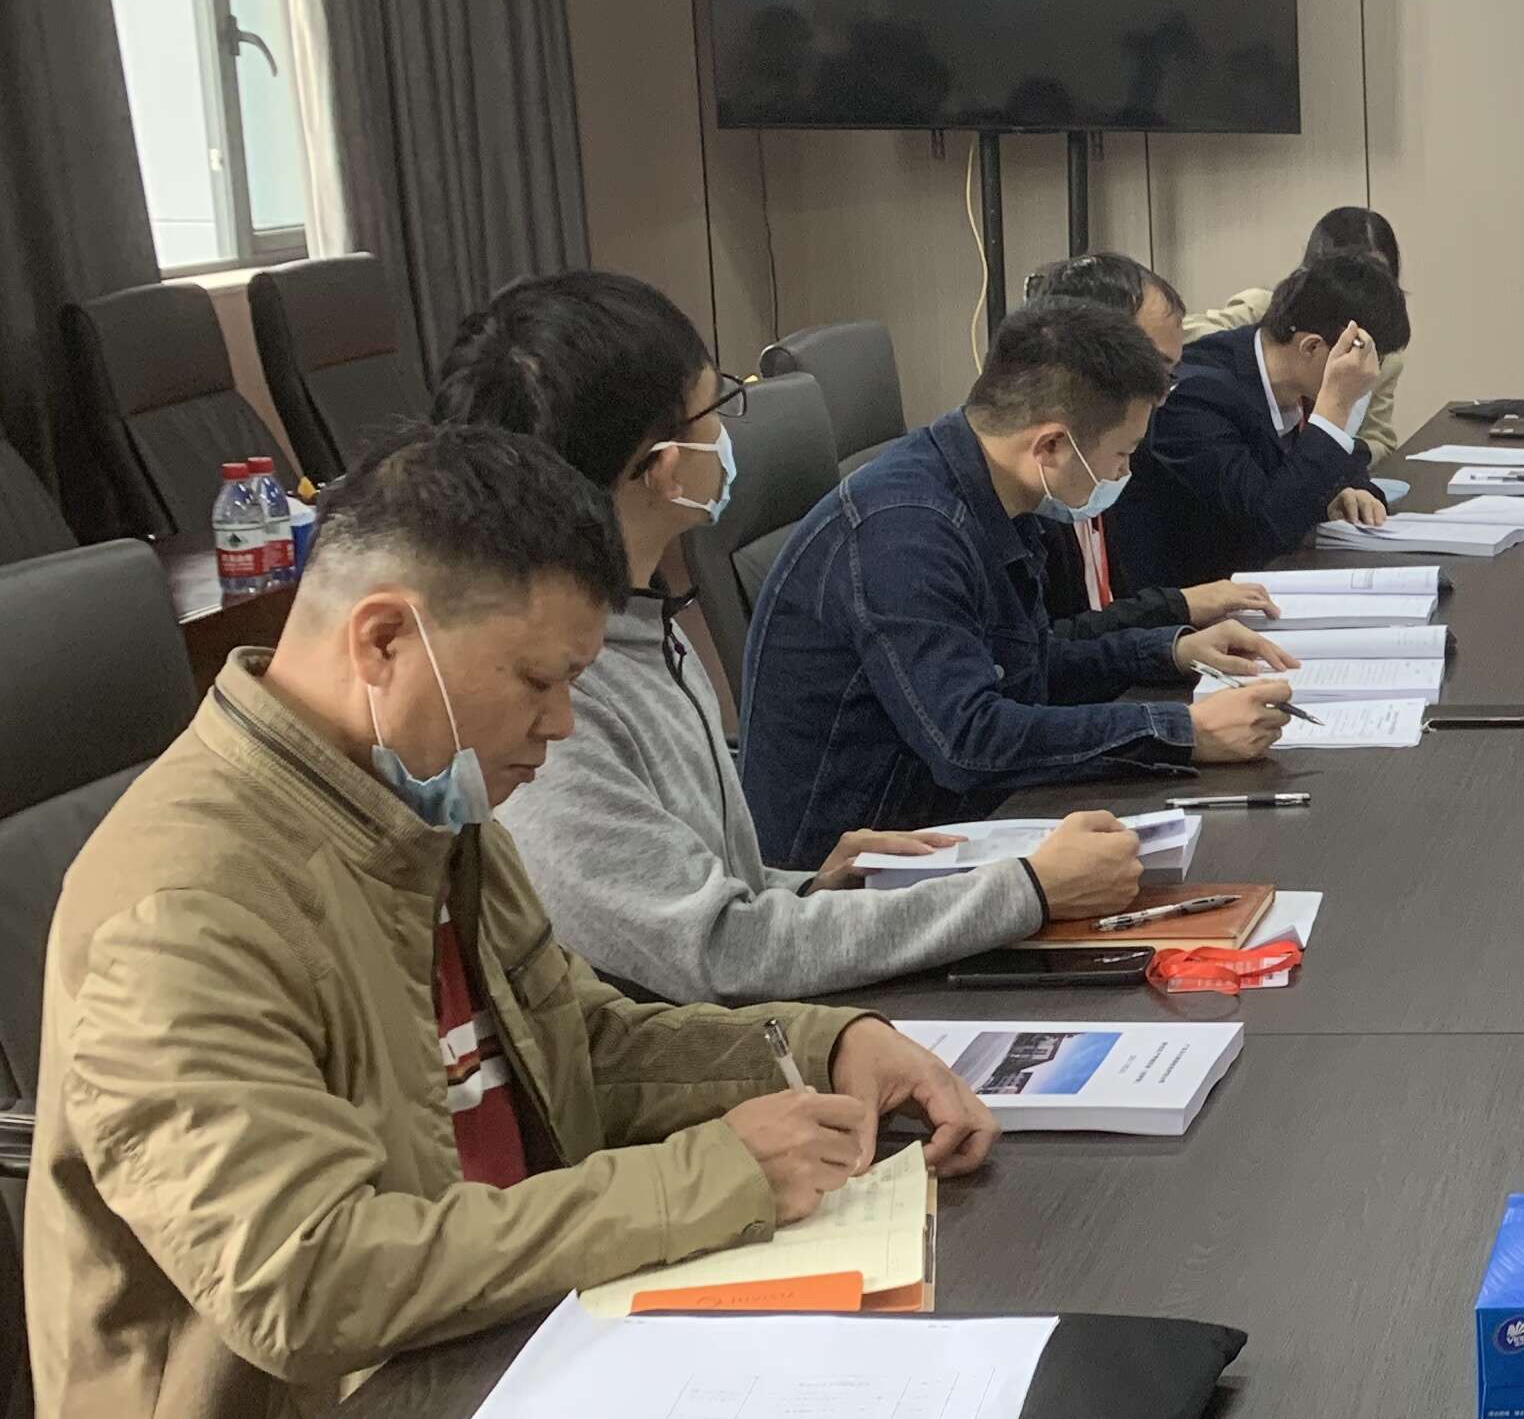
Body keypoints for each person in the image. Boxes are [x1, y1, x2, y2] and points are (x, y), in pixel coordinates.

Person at [22, 426, 997, 1419]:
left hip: (508, 1381)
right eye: (538, 681)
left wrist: (820, 1046)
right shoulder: (181, 907)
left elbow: (574, 1041)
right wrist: (711, 1177)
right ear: (385, 641)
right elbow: (309, 1281)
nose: (564, 724)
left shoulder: (423, 801)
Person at [434, 271, 1248, 1001]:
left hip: (801, 941)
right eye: (716, 410)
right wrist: (1026, 891)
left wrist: (801, 890)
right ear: (663, 463)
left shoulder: (645, 626)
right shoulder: (555, 693)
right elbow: (712, 954)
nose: (728, 434)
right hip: (754, 1011)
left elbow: (697, 904)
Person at [739, 298, 1293, 863]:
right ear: (1051, 446)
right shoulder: (906, 535)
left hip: (952, 814)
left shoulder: (999, 490)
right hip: (857, 866)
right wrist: (1184, 730)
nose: (1125, 473)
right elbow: (969, 741)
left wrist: (1169, 651)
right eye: (1123, 454)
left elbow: (1030, 663)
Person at [1108, 249, 1409, 598]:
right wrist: (1336, 407)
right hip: (1193, 606)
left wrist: (1355, 493)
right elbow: (1266, 524)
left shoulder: (1300, 380)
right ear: (1312, 347)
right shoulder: (1196, 396)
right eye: (1364, 358)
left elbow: (1349, 468)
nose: (1369, 374)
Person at [1028, 250, 1282, 643]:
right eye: (1152, 370)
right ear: (1085, 358)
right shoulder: (1031, 485)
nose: (1163, 396)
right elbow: (1046, 649)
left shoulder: (1130, 453)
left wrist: (1175, 639)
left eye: (1169, 374)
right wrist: (1175, 614)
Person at [1185, 204, 1412, 450]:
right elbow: (1187, 341)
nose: (1366, 284)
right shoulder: (1268, 315)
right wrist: (1267, 355)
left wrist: (1342, 454)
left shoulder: (1381, 350)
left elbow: (1379, 439)